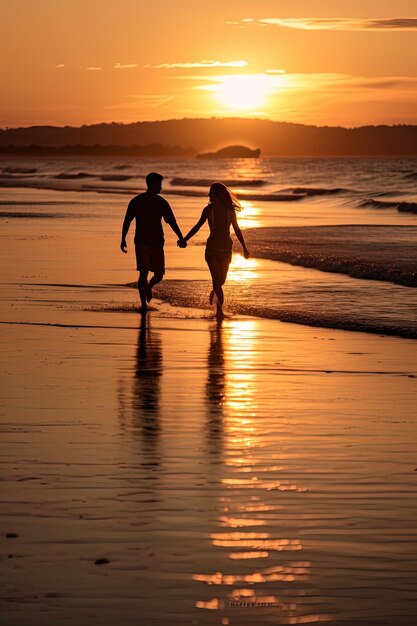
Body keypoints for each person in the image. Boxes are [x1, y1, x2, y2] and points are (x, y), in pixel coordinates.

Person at [180, 182, 249, 319]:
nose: (209, 194)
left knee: (221, 281)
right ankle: (219, 311)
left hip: (226, 248)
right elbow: (197, 226)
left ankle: (214, 292)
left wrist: (244, 248)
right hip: (211, 248)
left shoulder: (230, 210)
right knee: (217, 280)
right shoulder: (208, 210)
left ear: (218, 194)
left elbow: (236, 229)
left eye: (212, 191)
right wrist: (184, 239)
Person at [120, 172, 186, 312]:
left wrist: (181, 237)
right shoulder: (136, 201)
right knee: (143, 272)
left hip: (157, 242)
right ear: (152, 184)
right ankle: (143, 304)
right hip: (141, 241)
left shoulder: (162, 202)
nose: (161, 187)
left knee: (159, 274)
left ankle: (149, 287)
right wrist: (123, 238)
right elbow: (127, 220)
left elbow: (172, 222)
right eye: (159, 184)